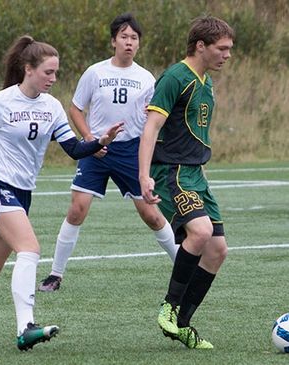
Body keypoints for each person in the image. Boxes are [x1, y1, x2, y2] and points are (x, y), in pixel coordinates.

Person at [0, 35, 123, 351]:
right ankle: (25, 327)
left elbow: (72, 149)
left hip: (23, 192)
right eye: (48, 72)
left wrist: (101, 141)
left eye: (56, 73)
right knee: (29, 248)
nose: (53, 79)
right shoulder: (0, 101)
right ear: (28, 69)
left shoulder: (52, 106)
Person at [38, 13, 178, 293]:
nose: (129, 42)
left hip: (131, 151)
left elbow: (153, 119)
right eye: (124, 37)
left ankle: (184, 268)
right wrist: (91, 140)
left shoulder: (146, 78)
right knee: (77, 209)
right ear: (113, 41)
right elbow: (76, 109)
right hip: (98, 149)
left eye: (134, 38)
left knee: (151, 214)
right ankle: (55, 274)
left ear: (139, 45)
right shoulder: (95, 72)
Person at [139, 16, 234, 349]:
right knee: (201, 232)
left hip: (195, 173)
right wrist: (143, 174)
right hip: (173, 172)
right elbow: (150, 128)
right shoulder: (175, 77)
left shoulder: (206, 81)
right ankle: (169, 305)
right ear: (201, 45)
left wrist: (203, 173)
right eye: (222, 48)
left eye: (229, 49)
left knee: (218, 251)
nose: (227, 55)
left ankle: (182, 324)